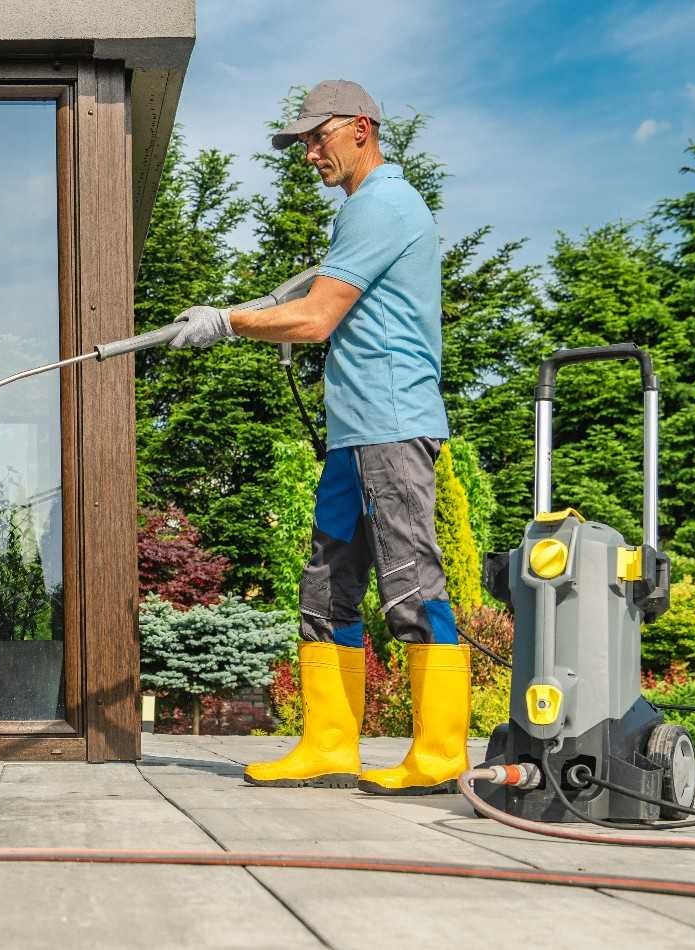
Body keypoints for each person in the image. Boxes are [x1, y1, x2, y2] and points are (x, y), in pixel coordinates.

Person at [170, 80, 469, 795]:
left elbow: (315, 319)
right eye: (302, 141)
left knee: (409, 584)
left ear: (361, 128)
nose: (308, 153)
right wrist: (251, 310)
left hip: (393, 428)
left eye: (317, 136)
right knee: (326, 588)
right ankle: (331, 745)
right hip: (354, 435)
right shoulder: (364, 212)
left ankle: (440, 753)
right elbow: (319, 303)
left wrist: (227, 321)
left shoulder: (384, 203)